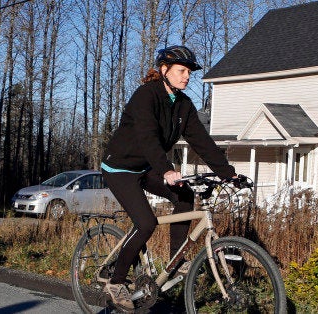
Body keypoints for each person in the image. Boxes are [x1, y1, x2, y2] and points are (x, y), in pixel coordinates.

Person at [100, 45, 236, 312]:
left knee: (185, 194)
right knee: (146, 223)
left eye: (189, 72)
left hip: (147, 166)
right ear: (164, 70)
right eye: (181, 71)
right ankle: (116, 282)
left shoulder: (183, 104)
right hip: (120, 168)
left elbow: (202, 141)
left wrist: (228, 173)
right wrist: (166, 170)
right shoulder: (145, 96)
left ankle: (175, 261)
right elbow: (148, 138)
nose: (187, 76)